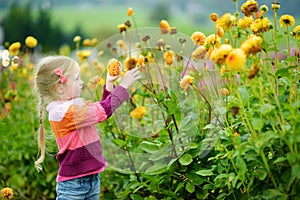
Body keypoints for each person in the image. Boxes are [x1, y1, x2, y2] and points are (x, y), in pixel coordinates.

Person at [34, 55, 140, 200]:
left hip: (91, 179)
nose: (82, 82)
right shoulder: (64, 113)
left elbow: (99, 113)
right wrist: (123, 86)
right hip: (74, 185)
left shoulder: (73, 106)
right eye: (77, 79)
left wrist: (109, 84)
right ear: (59, 87)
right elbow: (102, 112)